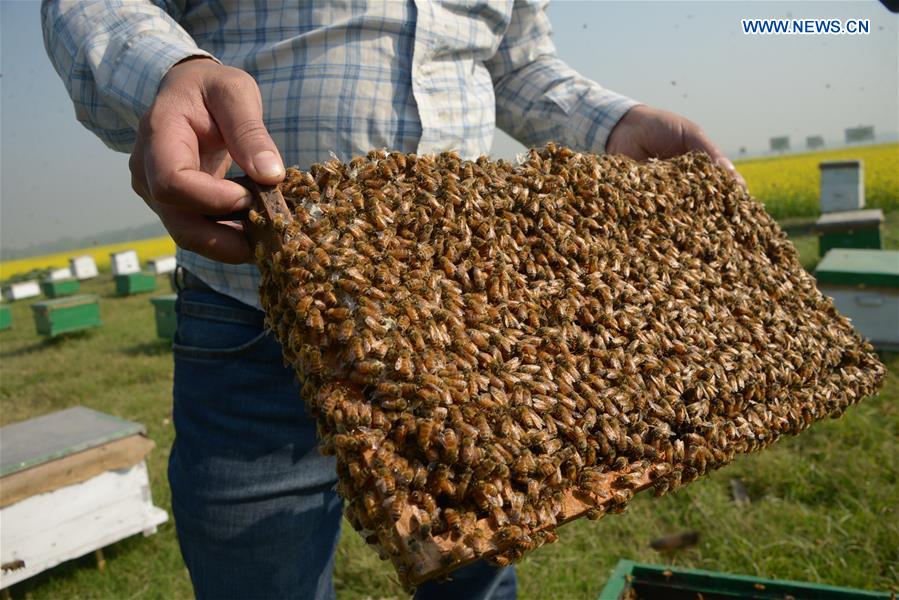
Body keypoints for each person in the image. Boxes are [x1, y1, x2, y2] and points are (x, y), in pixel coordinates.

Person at [42, 2, 742, 598]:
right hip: (254, 309)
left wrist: (610, 125)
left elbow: (519, 63)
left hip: (464, 321)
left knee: (479, 556)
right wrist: (168, 71)